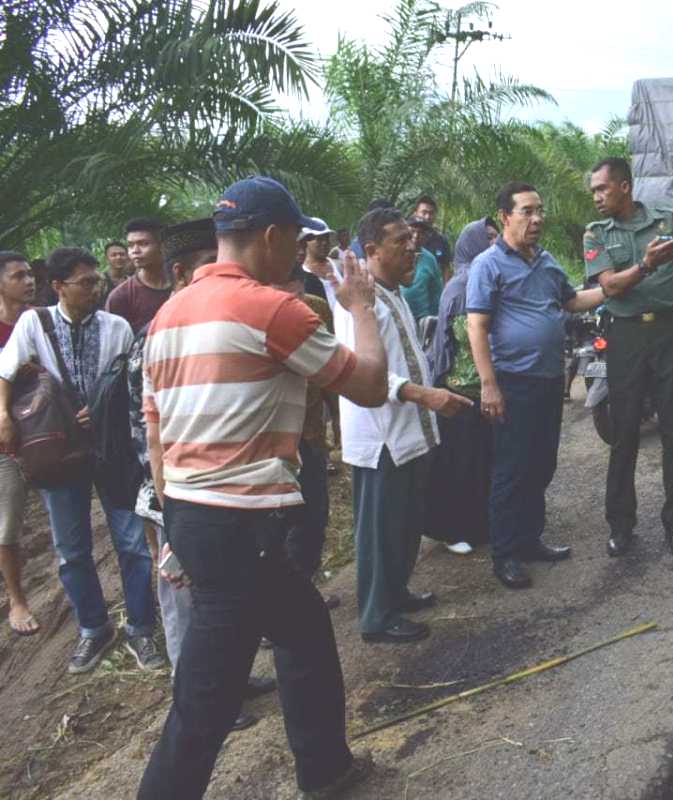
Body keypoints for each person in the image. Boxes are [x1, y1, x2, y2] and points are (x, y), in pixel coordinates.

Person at [137, 176, 389, 798]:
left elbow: (155, 431)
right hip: (237, 522)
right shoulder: (272, 309)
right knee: (205, 702)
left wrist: (175, 519)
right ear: (273, 236)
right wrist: (360, 306)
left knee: (302, 628)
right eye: (295, 240)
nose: (298, 254)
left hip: (197, 514)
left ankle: (327, 769)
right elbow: (370, 387)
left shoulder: (168, 316)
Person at [126, 218, 275, 731]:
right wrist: (171, 504)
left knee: (225, 602)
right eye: (210, 266)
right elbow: (149, 435)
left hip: (208, 492)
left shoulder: (201, 322)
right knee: (188, 607)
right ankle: (201, 702)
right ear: (181, 272)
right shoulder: (159, 334)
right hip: (174, 493)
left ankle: (231, 681)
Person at [0, 247, 161, 671]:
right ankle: (94, 628)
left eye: (97, 281)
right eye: (85, 282)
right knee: (71, 549)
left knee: (131, 543)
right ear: (58, 287)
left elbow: (135, 380)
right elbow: (5, 370)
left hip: (114, 450)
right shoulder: (35, 323)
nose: (96, 287)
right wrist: (3, 416)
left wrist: (104, 407)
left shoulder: (117, 327)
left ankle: (142, 629)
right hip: (59, 450)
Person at [337, 207, 471, 642]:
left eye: (413, 239)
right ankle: (377, 616)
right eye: (401, 240)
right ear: (372, 249)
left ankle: (396, 593)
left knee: (404, 524)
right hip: (382, 439)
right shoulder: (356, 300)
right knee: (381, 531)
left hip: (410, 432)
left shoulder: (392, 291)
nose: (414, 247)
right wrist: (424, 394)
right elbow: (359, 369)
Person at [467, 182, 605, 589]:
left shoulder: (545, 263)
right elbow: (477, 326)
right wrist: (488, 385)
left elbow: (572, 301)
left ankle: (530, 539)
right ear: (505, 217)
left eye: (539, 210)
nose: (537, 218)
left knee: (542, 463)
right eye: (527, 211)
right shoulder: (487, 265)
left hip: (547, 380)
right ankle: (505, 553)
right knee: (511, 469)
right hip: (512, 382)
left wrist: (613, 288)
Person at [584, 157, 673, 560]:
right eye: (593, 191)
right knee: (624, 434)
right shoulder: (596, 234)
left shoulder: (669, 223)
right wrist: (645, 265)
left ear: (624, 186)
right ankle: (621, 526)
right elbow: (609, 286)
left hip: (670, 333)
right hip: (625, 336)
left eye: (602, 189)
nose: (597, 197)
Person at [427, 217, 499, 556]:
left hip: (483, 387)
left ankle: (479, 524)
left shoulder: (490, 276)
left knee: (481, 463)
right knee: (460, 466)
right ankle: (454, 529)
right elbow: (457, 340)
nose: (495, 241)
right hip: (460, 387)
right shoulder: (461, 285)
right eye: (487, 237)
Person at [277, 263, 339, 591]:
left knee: (315, 515)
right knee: (281, 524)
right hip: (272, 442)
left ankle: (305, 590)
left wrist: (338, 419)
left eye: (298, 296)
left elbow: (331, 370)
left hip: (311, 433)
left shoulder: (317, 311)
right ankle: (286, 603)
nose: (294, 306)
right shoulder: (258, 320)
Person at [0, 251, 38, 635]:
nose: (28, 281)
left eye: (29, 274)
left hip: (48, 434)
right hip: (5, 441)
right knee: (7, 526)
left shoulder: (40, 320)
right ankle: (17, 598)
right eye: (17, 276)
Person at [106, 217, 172, 332]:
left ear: (163, 246)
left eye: (143, 244)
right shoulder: (121, 296)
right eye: (131, 245)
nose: (135, 250)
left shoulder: (184, 285)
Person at [401, 216, 445, 321]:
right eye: (412, 231)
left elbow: (435, 293)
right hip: (399, 315)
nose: (416, 236)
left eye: (421, 233)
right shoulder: (396, 254)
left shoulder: (430, 260)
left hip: (422, 318)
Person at [300, 217, 342, 308]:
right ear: (306, 241)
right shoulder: (301, 276)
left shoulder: (339, 266)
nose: (324, 243)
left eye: (326, 238)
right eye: (319, 239)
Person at [412, 194, 452, 276]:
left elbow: (446, 268)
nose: (427, 217)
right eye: (424, 213)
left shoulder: (441, 240)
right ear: (415, 213)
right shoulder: (407, 237)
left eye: (431, 213)